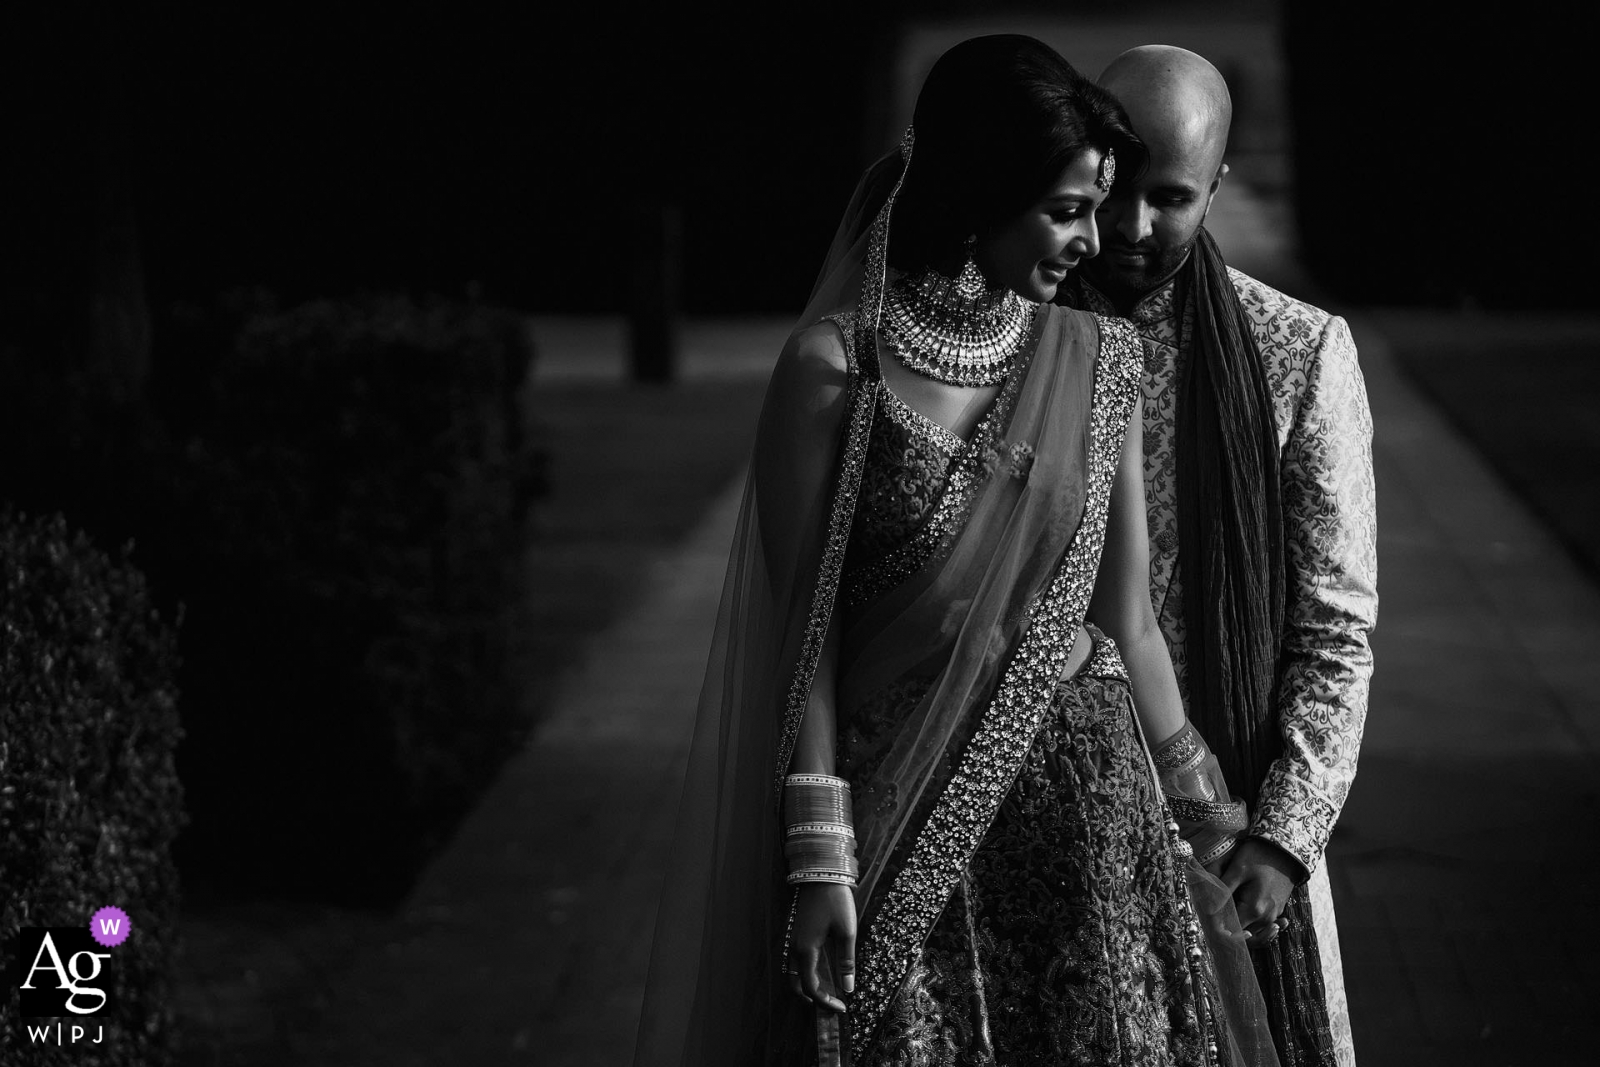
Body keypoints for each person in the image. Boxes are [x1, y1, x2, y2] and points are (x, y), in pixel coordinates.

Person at [633, 35, 1281, 1067]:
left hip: (1085, 818)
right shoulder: (833, 369)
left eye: (1097, 206)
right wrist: (818, 859)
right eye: (1066, 210)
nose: (1093, 239)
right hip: (896, 818)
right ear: (982, 192)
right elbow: (808, 649)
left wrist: (1208, 814)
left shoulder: (1097, 355)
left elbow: (1129, 623)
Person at [1061, 45, 1379, 1067]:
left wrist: (1283, 838)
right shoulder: (1024, 331)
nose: (1131, 230)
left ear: (1218, 186)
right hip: (1052, 820)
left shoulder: (1295, 350)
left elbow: (1335, 628)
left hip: (1236, 826)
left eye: (1172, 198)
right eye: (1116, 191)